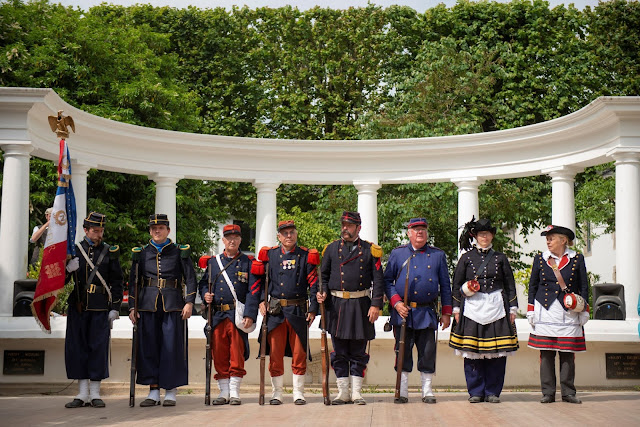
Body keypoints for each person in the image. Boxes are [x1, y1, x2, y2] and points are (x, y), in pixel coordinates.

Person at [247, 220, 319, 405]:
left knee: (299, 353)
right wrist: (261, 301)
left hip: (298, 310)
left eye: (292, 232)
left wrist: (313, 309)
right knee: (275, 353)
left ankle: (298, 393)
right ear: (278, 236)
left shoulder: (305, 255)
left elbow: (314, 284)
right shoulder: (269, 255)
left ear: (296, 234)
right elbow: (258, 281)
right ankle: (277, 393)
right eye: (285, 233)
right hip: (276, 311)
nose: (289, 236)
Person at [129, 214, 197, 407]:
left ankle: (170, 390)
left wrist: (189, 302)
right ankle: (153, 391)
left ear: (168, 230)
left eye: (160, 228)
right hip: (147, 305)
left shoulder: (179, 252)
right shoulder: (142, 253)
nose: (157, 231)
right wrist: (133, 306)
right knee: (149, 347)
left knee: (171, 348)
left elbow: (190, 278)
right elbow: (134, 281)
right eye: (154, 228)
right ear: (150, 231)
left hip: (173, 304)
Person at [317, 211, 384, 405]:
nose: (345, 228)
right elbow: (323, 276)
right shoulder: (331, 249)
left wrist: (376, 304)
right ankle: (343, 393)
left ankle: (356, 393)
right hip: (336, 306)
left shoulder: (370, 250)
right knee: (339, 351)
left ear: (358, 228)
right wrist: (322, 292)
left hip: (360, 305)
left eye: (349, 225)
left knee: (358, 351)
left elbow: (378, 280)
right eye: (343, 225)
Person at [449, 218, 519, 403]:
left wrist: (513, 308)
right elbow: (456, 284)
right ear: (475, 236)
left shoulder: (501, 258)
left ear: (492, 236)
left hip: (497, 307)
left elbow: (510, 284)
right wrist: (456, 308)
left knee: (497, 352)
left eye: (487, 234)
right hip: (472, 308)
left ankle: (493, 392)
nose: (484, 237)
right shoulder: (466, 258)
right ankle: (476, 391)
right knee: (473, 352)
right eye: (481, 234)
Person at [384, 217, 452, 404]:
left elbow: (445, 285)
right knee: (402, 352)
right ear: (409, 233)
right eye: (415, 229)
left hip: (426, 312)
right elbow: (387, 281)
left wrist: (446, 312)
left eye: (423, 229)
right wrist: (397, 303)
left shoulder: (437, 255)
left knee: (428, 353)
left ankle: (427, 390)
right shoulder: (398, 254)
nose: (420, 232)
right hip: (403, 313)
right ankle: (402, 390)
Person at [64, 212, 123, 408]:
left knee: (97, 349)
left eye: (101, 231)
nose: (99, 234)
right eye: (95, 231)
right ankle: (82, 394)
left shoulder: (109, 251)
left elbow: (117, 281)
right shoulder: (74, 250)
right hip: (79, 306)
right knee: (78, 348)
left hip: (100, 306)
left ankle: (95, 393)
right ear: (86, 230)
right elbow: (60, 281)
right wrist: (67, 270)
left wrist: (115, 308)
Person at [527, 225, 589, 404]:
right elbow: (533, 286)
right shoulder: (540, 259)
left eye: (551, 238)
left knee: (567, 353)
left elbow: (583, 286)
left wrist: (584, 309)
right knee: (546, 353)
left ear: (563, 240)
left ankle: (568, 392)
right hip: (545, 310)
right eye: (547, 239)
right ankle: (548, 392)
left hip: (568, 312)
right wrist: (531, 309)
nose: (548, 241)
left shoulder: (577, 258)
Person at [199, 224, 253, 405]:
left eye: (236, 237)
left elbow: (253, 291)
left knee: (237, 353)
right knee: (219, 353)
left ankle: (235, 391)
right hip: (217, 315)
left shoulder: (247, 262)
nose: (232, 241)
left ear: (240, 240)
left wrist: (250, 314)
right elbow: (203, 283)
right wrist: (205, 294)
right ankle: (224, 391)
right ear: (223, 240)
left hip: (236, 315)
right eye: (229, 237)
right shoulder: (213, 262)